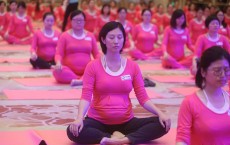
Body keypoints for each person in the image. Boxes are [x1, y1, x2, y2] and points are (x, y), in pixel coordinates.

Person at [66, 21, 170, 145]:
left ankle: (124, 139)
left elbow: (143, 97)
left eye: (120, 37)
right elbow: (86, 96)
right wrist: (79, 119)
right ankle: (111, 137)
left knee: (163, 124)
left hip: (126, 122)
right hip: (98, 122)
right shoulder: (92, 66)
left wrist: (160, 113)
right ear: (103, 40)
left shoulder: (133, 66)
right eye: (112, 37)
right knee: (72, 131)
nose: (116, 41)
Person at [176, 46, 230, 145]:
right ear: (203, 72)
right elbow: (182, 139)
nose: (223, 75)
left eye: (226, 70)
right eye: (217, 70)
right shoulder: (190, 103)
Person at [53, 10, 100, 85]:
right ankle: (83, 80)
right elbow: (59, 54)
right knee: (56, 71)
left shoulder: (90, 36)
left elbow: (96, 54)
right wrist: (58, 63)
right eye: (76, 20)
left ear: (84, 22)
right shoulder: (64, 36)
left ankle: (81, 80)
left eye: (81, 20)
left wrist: (100, 62)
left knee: (98, 70)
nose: (78, 22)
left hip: (87, 70)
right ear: (71, 21)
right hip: (68, 70)